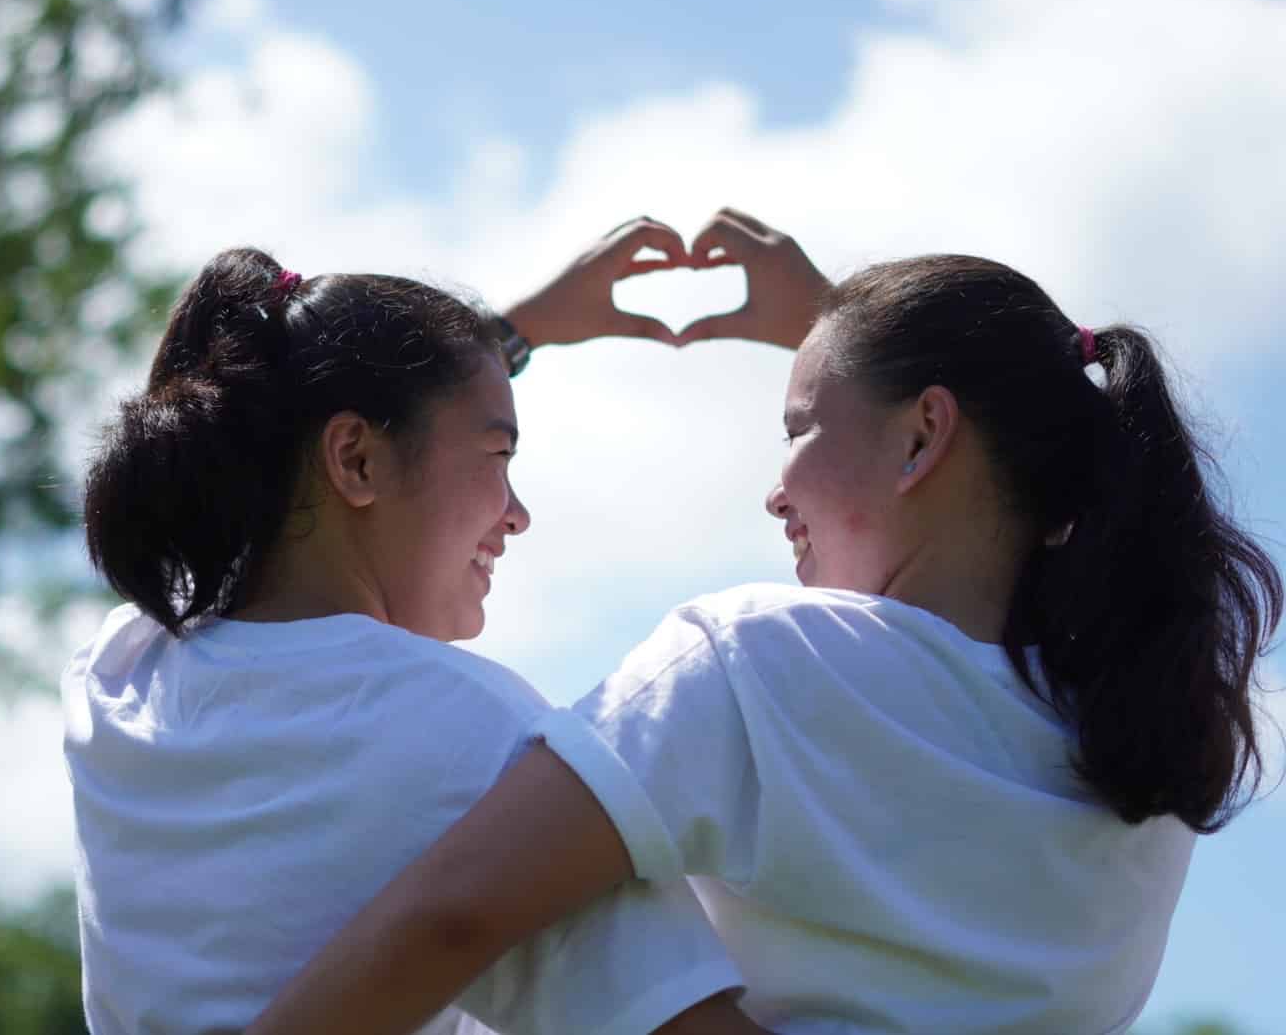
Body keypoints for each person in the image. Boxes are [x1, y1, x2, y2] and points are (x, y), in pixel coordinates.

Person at [244, 212, 1284, 1034]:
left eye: (794, 429)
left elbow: (455, 914)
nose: (774, 492)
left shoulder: (758, 667)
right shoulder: (1147, 755)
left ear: (926, 435)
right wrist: (853, 330)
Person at [61, 220, 794, 1035]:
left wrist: (509, 338)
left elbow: (307, 407)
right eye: (497, 457)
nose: (517, 515)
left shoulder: (118, 674)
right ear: (357, 462)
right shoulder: (469, 731)